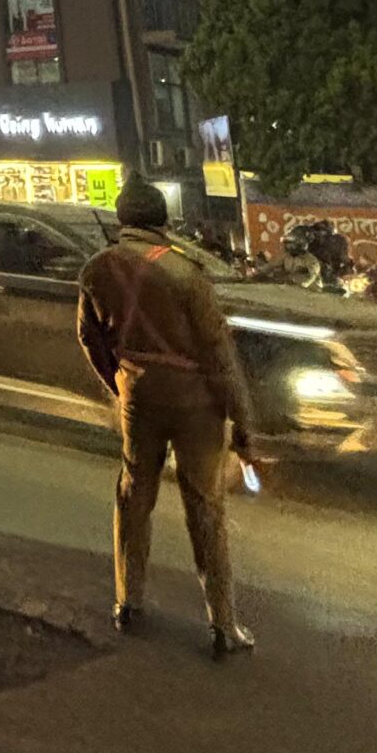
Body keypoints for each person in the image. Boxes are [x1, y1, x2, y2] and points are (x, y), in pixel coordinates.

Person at [77, 176, 256, 657]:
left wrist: (120, 383)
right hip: (197, 404)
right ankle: (223, 625)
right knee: (205, 509)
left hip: (139, 398)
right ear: (162, 221)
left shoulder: (96, 269)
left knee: (134, 495)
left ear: (122, 220)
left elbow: (90, 339)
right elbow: (220, 355)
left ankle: (127, 602)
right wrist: (243, 423)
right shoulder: (185, 272)